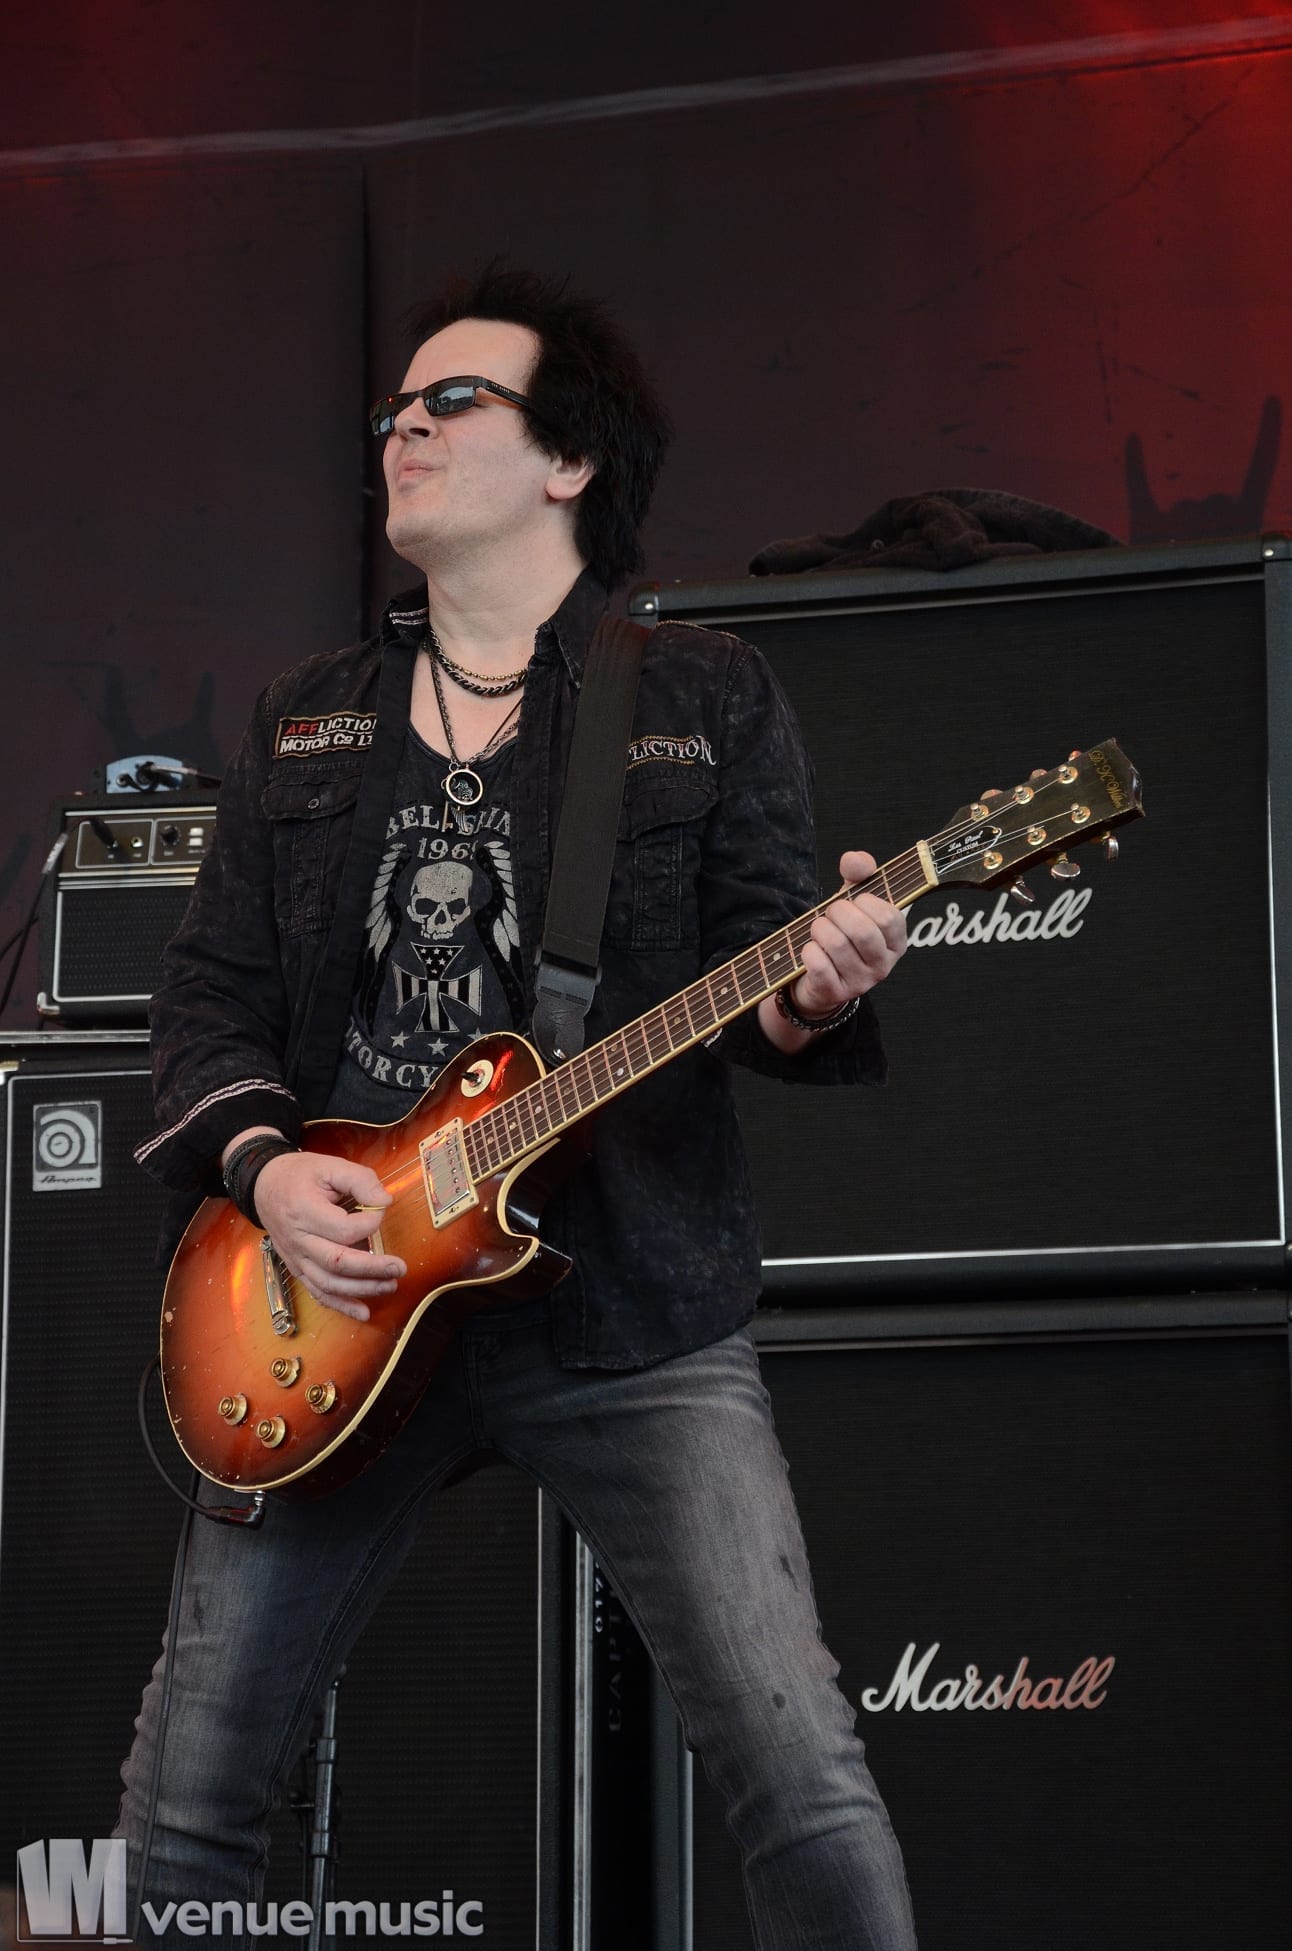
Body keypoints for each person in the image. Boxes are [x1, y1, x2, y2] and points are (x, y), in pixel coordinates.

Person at [117, 266, 917, 1951]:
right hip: (332, 1311)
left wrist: (822, 981)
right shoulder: (306, 718)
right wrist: (268, 1173)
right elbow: (207, 1006)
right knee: (181, 1813)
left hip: (629, 1305)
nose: (399, 427)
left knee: (803, 1776)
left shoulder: (699, 697)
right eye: (390, 408)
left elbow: (769, 986)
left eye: (449, 401)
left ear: (568, 459)